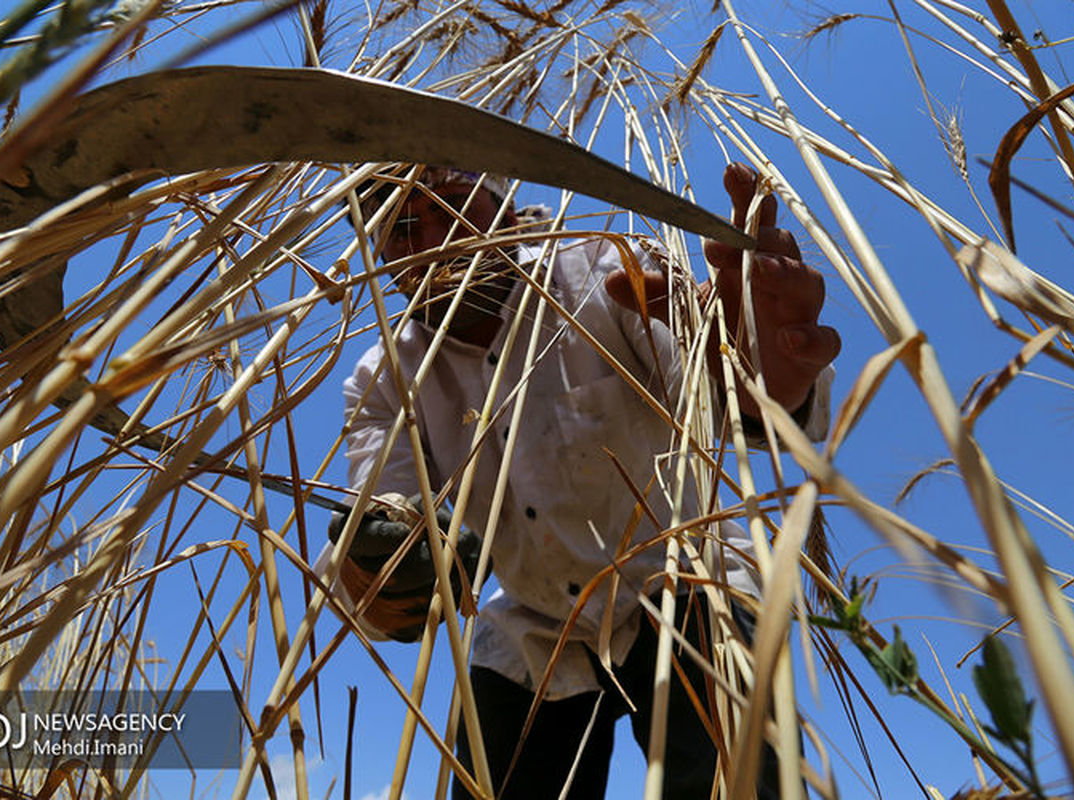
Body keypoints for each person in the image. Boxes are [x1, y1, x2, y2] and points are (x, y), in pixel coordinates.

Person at [326, 164, 840, 798]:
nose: (437, 241)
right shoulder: (382, 380)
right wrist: (384, 570)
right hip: (533, 628)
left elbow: (723, 388)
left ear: (505, 210)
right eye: (403, 228)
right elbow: (385, 521)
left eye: (455, 205)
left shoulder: (604, 268)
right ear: (379, 252)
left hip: (688, 578)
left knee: (733, 782)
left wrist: (756, 369)